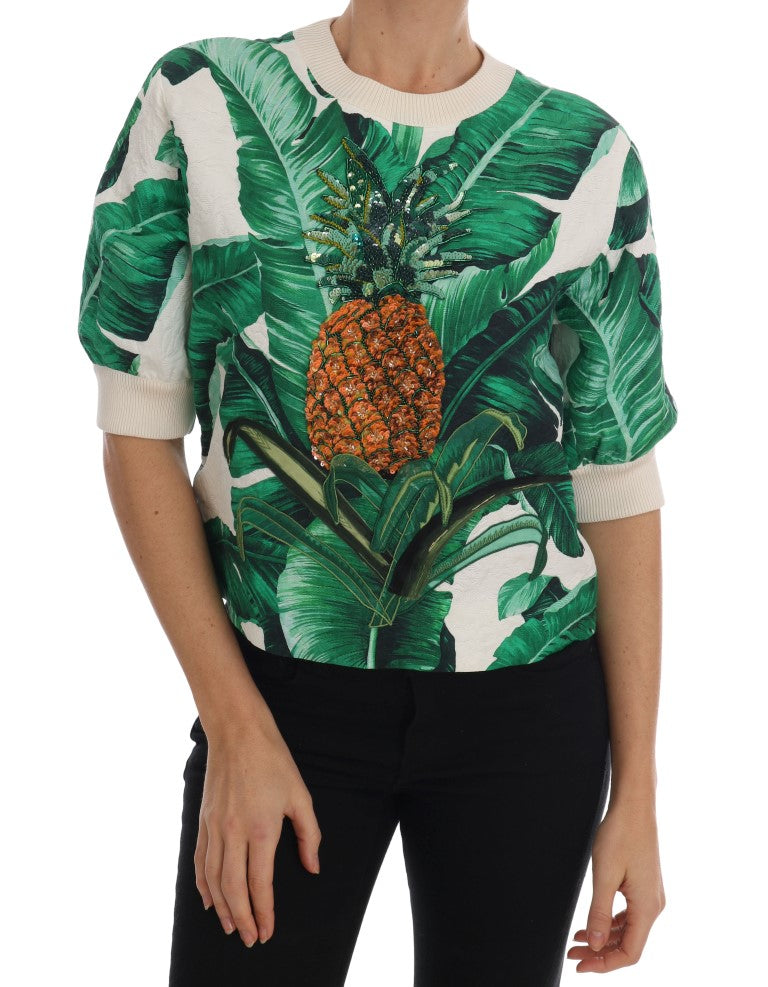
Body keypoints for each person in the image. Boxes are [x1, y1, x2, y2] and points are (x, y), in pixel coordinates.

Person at [76, 2, 677, 984]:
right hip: (280, 696)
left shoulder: (587, 150)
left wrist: (638, 794)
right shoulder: (202, 94)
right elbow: (138, 426)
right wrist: (233, 724)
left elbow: (617, 480)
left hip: (530, 705)